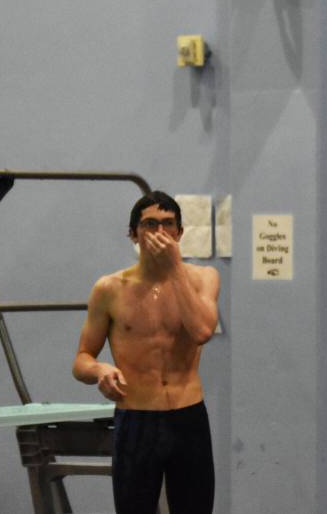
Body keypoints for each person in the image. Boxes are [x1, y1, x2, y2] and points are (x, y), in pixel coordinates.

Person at [73, 191, 220, 513]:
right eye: (150, 224)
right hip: (136, 418)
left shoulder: (203, 278)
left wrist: (175, 267)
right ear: (134, 233)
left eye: (168, 224)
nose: (159, 233)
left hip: (187, 416)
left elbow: (202, 332)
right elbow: (81, 358)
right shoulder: (109, 289)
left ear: (180, 233)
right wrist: (101, 371)